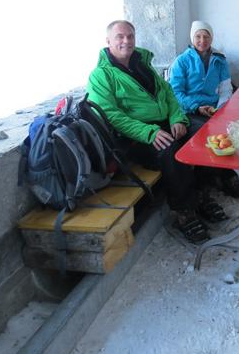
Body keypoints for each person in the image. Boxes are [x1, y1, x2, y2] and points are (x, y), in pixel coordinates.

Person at [86, 20, 228, 243]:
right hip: (135, 137)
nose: (126, 41)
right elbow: (109, 115)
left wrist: (177, 118)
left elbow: (168, 92)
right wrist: (149, 133)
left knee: (205, 135)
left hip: (164, 123)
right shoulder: (101, 76)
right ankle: (184, 212)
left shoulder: (141, 63)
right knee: (171, 150)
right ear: (108, 41)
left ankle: (201, 195)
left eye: (130, 36)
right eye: (120, 37)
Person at [169, 20, 239, 198]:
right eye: (198, 36)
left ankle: (228, 173)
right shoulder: (182, 61)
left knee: (234, 131)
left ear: (211, 38)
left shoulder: (220, 60)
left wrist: (220, 110)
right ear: (192, 38)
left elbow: (226, 89)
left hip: (214, 108)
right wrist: (196, 106)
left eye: (206, 36)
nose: (202, 40)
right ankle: (211, 181)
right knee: (208, 135)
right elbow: (175, 92)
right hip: (189, 110)